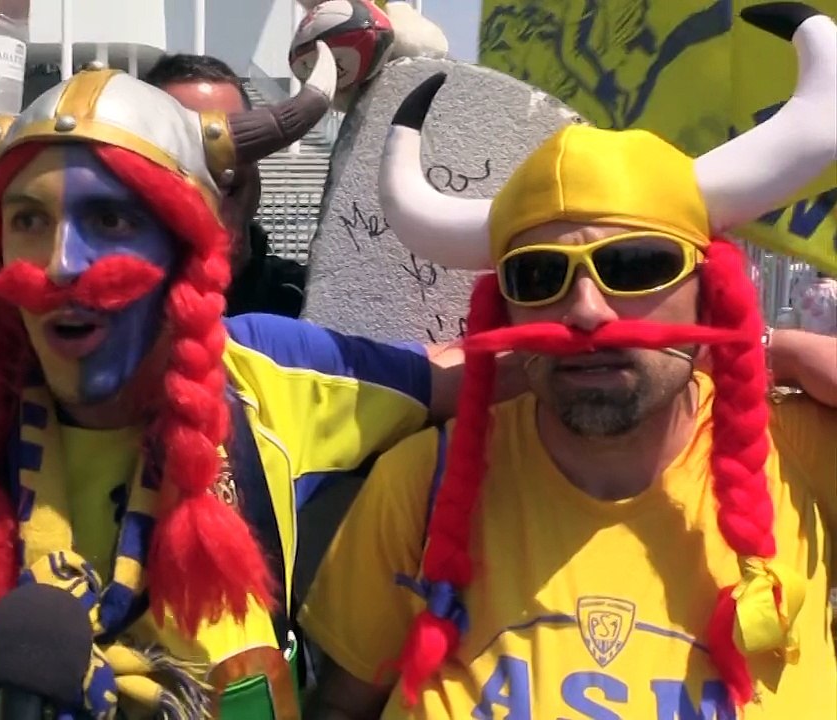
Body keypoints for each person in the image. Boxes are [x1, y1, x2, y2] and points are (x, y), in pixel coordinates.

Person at [0, 38, 492, 720]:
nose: (62, 262)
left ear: (185, 249)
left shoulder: (274, 375)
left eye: (110, 217)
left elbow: (489, 376)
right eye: (29, 219)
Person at [302, 6, 837, 718]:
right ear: (507, 309)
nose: (585, 309)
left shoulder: (802, 451)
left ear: (710, 290)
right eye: (538, 276)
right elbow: (340, 707)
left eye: (637, 265)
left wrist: (784, 350)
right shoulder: (418, 485)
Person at [0, 2, 308, 319]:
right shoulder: (76, 287)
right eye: (176, 149)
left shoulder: (309, 302)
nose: (212, 167)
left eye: (230, 140)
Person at [143, 53, 309, 318]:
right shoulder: (105, 313)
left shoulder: (303, 299)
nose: (216, 158)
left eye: (238, 134)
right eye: (185, 143)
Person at [798, 271, 837, 336]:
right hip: (829, 339)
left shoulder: (806, 289)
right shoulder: (834, 290)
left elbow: (798, 312)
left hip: (806, 337)